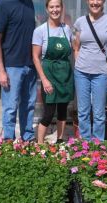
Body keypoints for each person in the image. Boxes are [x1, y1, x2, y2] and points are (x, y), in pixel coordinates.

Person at [74, 0, 107, 141]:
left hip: (101, 73)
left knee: (99, 112)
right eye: (92, 0)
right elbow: (76, 47)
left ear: (104, 2)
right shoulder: (80, 22)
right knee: (83, 111)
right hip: (81, 72)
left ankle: (97, 144)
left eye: (98, 0)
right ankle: (85, 143)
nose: (95, 3)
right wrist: (79, 64)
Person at [0, 0, 37, 141]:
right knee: (10, 107)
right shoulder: (2, 4)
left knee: (29, 106)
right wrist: (1, 70)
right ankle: (8, 142)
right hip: (12, 66)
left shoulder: (29, 3)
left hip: (30, 65)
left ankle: (28, 139)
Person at [32, 0, 74, 144]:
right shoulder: (40, 31)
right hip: (49, 75)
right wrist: (44, 80)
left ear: (62, 8)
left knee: (63, 110)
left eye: (57, 6)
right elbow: (36, 58)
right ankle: (40, 144)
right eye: (52, 7)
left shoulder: (67, 29)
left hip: (65, 75)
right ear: (47, 9)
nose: (55, 10)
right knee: (49, 113)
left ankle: (60, 140)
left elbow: (74, 50)